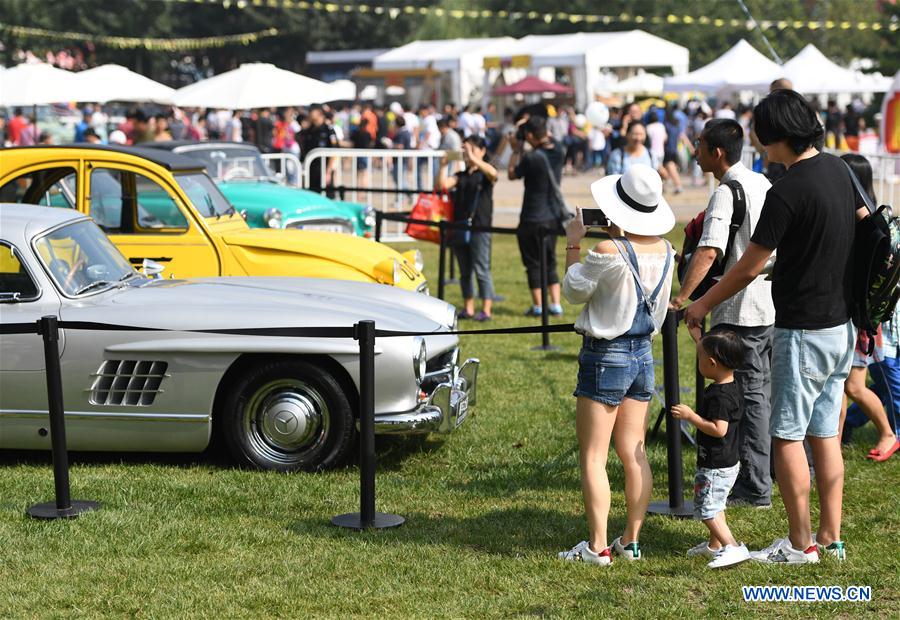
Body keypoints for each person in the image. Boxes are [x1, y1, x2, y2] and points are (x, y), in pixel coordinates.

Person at [685, 89, 858, 564]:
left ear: (772, 133)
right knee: (825, 435)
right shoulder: (841, 170)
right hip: (841, 326)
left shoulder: (788, 189)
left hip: (801, 329)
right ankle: (830, 537)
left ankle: (801, 543)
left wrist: (700, 304)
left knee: (787, 437)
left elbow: (744, 267)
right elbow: (863, 228)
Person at [558, 164, 675, 566]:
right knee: (634, 452)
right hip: (643, 352)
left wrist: (574, 244)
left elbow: (572, 291)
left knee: (593, 455)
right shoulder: (666, 250)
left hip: (606, 354)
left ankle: (597, 546)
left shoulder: (607, 251)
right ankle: (631, 539)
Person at [671, 119, 775, 509]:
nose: (694, 152)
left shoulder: (725, 192)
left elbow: (710, 250)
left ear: (716, 153)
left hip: (737, 307)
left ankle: (753, 484)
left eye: (698, 146)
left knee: (744, 399)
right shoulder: (762, 183)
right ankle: (762, 474)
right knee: (760, 393)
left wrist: (684, 298)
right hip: (767, 303)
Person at [671, 330, 751, 569]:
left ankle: (732, 547)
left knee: (707, 509)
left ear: (711, 363)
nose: (698, 363)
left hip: (717, 464)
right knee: (717, 504)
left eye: (699, 358)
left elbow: (719, 429)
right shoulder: (732, 385)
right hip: (726, 461)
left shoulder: (720, 397)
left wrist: (691, 417)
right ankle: (715, 545)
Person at [838, 153, 899, 461]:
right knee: (842, 388)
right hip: (865, 319)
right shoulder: (875, 217)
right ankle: (833, 444)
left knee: (853, 386)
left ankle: (888, 432)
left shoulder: (864, 224)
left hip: (859, 320)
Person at [508, 115, 565, 317]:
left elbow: (512, 174)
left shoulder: (531, 158)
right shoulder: (558, 150)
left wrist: (515, 149)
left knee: (533, 263)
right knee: (550, 261)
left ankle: (539, 306)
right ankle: (556, 304)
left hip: (532, 216)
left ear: (529, 135)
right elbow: (548, 138)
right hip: (552, 216)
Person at [437, 135, 498, 321]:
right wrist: (443, 165)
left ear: (482, 151)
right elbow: (442, 185)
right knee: (464, 270)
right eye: (465, 150)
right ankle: (468, 307)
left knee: (481, 269)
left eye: (473, 149)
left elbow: (494, 174)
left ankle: (486, 309)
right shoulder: (461, 176)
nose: (467, 154)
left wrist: (475, 160)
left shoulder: (484, 175)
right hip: (460, 227)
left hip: (480, 227)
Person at [298, 104, 338, 196]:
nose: (309, 114)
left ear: (319, 113)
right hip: (311, 170)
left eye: (311, 112)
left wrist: (328, 172)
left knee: (326, 196)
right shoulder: (309, 130)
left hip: (323, 169)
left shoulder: (328, 130)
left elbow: (334, 151)